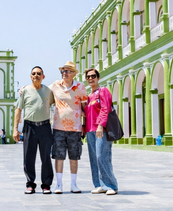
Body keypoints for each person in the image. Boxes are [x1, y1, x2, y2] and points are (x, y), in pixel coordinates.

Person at [14, 66, 55, 194]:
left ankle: (46, 185)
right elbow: (18, 110)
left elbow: (56, 104)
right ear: (31, 76)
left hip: (45, 127)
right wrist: (15, 129)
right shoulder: (25, 91)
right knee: (28, 157)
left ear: (43, 76)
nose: (36, 75)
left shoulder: (48, 91)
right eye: (34, 73)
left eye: (39, 73)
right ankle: (30, 184)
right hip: (29, 127)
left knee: (46, 157)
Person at [49, 61, 88, 194]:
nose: (64, 73)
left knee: (74, 157)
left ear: (73, 74)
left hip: (75, 128)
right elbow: (42, 91)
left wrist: (84, 125)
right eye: (63, 71)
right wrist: (24, 88)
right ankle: (59, 185)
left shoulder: (80, 87)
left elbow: (84, 108)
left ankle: (73, 184)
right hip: (58, 127)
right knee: (59, 157)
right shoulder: (55, 85)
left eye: (67, 71)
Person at [84, 68, 118, 195]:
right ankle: (99, 184)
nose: (90, 78)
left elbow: (105, 108)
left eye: (93, 76)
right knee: (94, 159)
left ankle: (111, 185)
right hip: (90, 131)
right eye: (88, 77)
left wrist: (100, 125)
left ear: (98, 78)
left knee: (102, 156)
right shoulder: (89, 96)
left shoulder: (103, 91)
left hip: (101, 130)